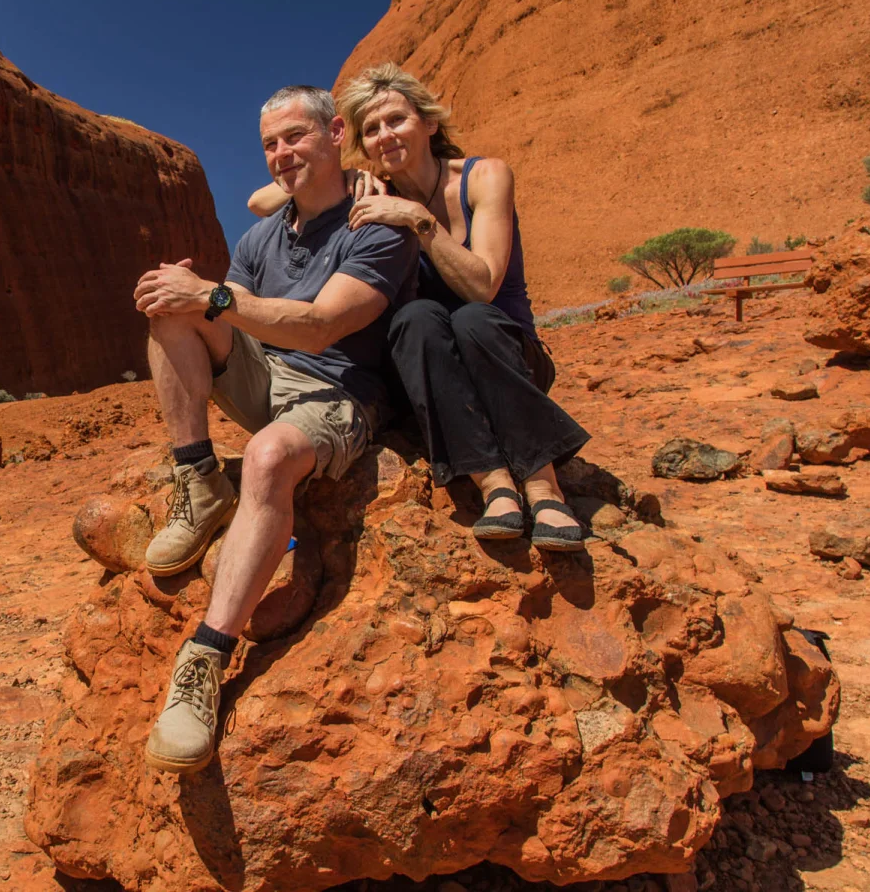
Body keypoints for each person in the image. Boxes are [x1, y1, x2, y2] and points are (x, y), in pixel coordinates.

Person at [132, 85, 417, 773]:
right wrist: (190, 296)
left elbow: (321, 327)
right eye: (270, 144)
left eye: (295, 136)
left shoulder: (377, 223)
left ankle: (205, 658)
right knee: (171, 306)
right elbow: (228, 316)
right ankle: (198, 479)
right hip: (267, 378)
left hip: (339, 390)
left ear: (335, 135)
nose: (281, 153)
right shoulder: (263, 235)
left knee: (265, 458)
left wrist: (219, 299)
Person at [247, 63, 589, 551]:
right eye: (371, 129)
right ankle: (493, 487)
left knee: (469, 317)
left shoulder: (482, 177)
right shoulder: (372, 188)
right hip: (432, 367)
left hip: (506, 356)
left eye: (396, 120)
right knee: (416, 317)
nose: (384, 135)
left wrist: (419, 219)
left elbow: (483, 286)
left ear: (429, 123)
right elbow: (261, 201)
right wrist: (342, 174)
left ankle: (543, 488)